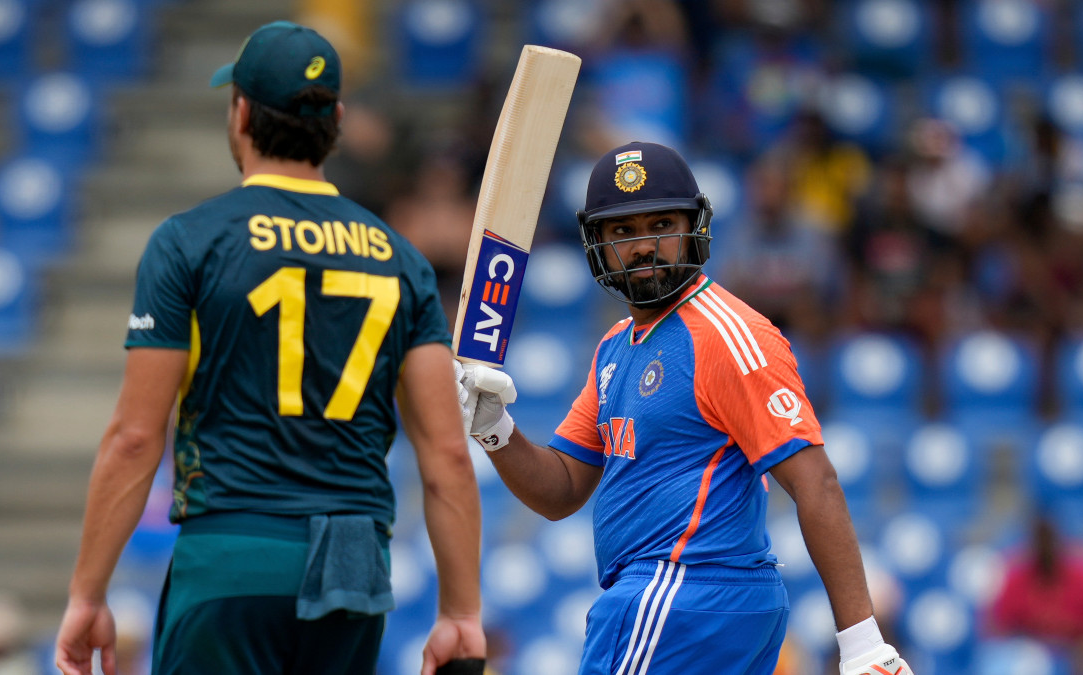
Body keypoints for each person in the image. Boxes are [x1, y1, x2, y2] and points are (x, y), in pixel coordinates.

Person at [55, 21, 485, 675]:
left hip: (233, 553)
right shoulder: (402, 260)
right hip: (354, 566)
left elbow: (136, 439)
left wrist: (88, 591)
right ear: (336, 119)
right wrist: (461, 612)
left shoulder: (189, 242)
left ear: (242, 112)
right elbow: (449, 454)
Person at [457, 141, 912, 675]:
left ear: (694, 226)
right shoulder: (615, 346)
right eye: (622, 232)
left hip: (681, 591)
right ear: (596, 245)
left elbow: (816, 482)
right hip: (694, 601)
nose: (645, 246)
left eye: (661, 224)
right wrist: (494, 428)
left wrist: (862, 644)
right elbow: (561, 490)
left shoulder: (726, 334)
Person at [987, 514, 1083, 675]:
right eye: (1040, 542)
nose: (1045, 549)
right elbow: (998, 627)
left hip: (1075, 651)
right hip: (1032, 653)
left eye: (1048, 541)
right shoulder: (1017, 579)